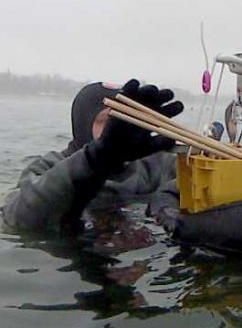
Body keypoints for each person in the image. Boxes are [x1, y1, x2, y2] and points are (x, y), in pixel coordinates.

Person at [1, 79, 183, 235]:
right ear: (83, 124)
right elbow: (17, 215)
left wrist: (166, 201)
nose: (119, 129)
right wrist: (99, 158)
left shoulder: (156, 166)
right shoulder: (48, 167)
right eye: (106, 121)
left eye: (129, 121)